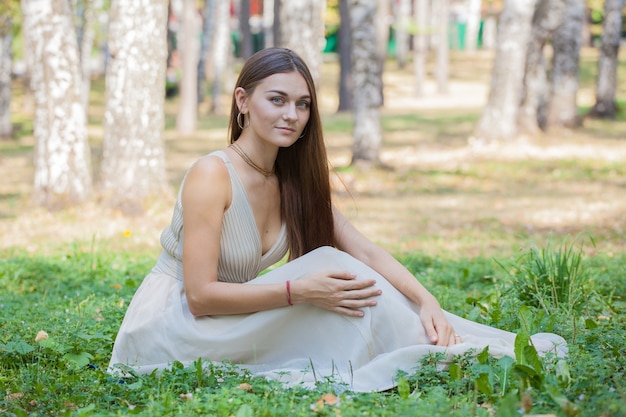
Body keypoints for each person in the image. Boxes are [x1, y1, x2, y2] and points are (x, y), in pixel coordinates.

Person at [108, 47, 566, 392]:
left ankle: (444, 337)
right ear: (242, 101)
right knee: (320, 271)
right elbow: (201, 296)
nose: (292, 115)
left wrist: (428, 301)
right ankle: (453, 353)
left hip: (231, 312)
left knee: (334, 261)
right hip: (175, 327)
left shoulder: (287, 177)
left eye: (303, 104)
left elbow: (363, 249)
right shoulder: (212, 174)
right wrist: (299, 291)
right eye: (278, 100)